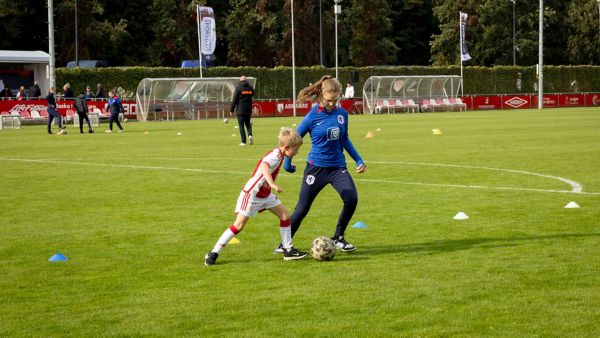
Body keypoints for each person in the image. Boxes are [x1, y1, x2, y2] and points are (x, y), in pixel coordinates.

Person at [276, 75, 366, 253]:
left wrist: (358, 159)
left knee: (351, 198)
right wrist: (287, 162)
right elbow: (294, 140)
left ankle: (338, 237)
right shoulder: (312, 116)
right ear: (321, 96)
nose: (331, 104)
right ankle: (284, 244)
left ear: (339, 96)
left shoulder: (342, 115)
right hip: (315, 168)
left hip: (337, 167)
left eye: (334, 100)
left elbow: (344, 139)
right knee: (302, 208)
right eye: (327, 100)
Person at [204, 128, 307, 266]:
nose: (296, 152)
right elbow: (264, 165)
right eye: (295, 149)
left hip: (265, 194)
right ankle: (214, 252)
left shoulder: (279, 155)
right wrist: (272, 183)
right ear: (287, 148)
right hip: (253, 194)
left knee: (285, 215)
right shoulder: (275, 156)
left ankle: (288, 250)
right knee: (239, 225)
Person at [230, 75, 254, 146]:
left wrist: (231, 109)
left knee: (241, 125)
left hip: (240, 110)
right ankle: (250, 135)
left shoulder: (238, 88)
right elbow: (253, 94)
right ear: (246, 80)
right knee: (248, 124)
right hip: (248, 109)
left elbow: (234, 100)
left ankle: (243, 142)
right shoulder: (250, 88)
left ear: (240, 80)